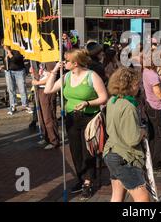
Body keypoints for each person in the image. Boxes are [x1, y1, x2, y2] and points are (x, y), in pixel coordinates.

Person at [44, 49, 108, 200]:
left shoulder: (92, 76)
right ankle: (81, 178)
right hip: (72, 119)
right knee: (75, 151)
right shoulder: (66, 77)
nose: (63, 63)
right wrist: (54, 71)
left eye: (66, 61)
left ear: (75, 63)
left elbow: (103, 97)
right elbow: (48, 90)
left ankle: (88, 181)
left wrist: (87, 103)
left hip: (89, 118)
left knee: (88, 151)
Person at [103, 67, 150, 202]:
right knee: (143, 197)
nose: (139, 86)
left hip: (111, 152)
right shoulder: (128, 106)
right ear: (128, 85)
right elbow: (132, 139)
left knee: (117, 195)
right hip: (124, 156)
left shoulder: (112, 101)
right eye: (137, 83)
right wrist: (142, 131)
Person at [142, 58, 161, 171]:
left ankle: (153, 161)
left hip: (150, 105)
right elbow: (159, 95)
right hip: (157, 108)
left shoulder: (146, 72)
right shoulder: (153, 75)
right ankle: (157, 162)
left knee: (153, 135)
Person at [31, 62, 60, 150]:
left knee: (48, 116)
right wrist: (33, 73)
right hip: (40, 89)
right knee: (41, 116)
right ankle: (46, 137)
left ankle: (54, 140)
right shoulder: (38, 61)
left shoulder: (50, 62)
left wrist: (38, 82)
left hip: (47, 90)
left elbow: (51, 77)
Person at [2, 43, 32, 115]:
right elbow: (7, 62)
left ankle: (25, 105)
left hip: (19, 71)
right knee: (11, 89)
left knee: (22, 88)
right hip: (9, 71)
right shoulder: (5, 51)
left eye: (4, 44)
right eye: (2, 45)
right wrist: (3, 67)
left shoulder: (17, 49)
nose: (4, 46)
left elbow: (15, 60)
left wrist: (9, 51)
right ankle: (13, 106)